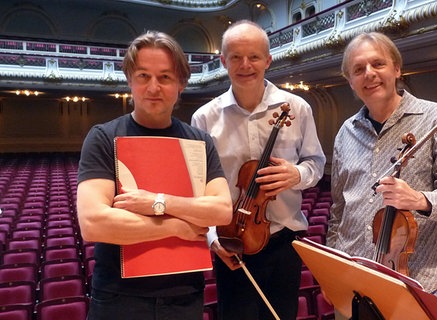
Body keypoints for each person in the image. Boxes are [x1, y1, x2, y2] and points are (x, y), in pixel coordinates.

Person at [76, 30, 233, 320]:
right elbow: (94, 223)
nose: (153, 87)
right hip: (118, 296)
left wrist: (157, 202)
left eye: (165, 77)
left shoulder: (200, 142)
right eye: (144, 76)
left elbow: (222, 211)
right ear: (130, 81)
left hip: (185, 295)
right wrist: (176, 227)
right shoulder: (102, 138)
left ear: (181, 84)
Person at [327, 32, 437, 315]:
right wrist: (333, 269)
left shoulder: (436, 118)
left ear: (396, 69)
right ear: (351, 82)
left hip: (411, 283)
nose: (369, 74)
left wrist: (419, 199)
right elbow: (339, 209)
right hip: (352, 279)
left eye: (377, 64)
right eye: (358, 69)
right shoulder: (345, 132)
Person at [191, 20, 326, 320]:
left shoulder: (297, 108)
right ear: (223, 61)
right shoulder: (204, 118)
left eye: (253, 56)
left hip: (284, 241)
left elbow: (316, 163)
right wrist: (213, 238)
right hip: (232, 242)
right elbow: (197, 187)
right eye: (236, 57)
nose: (245, 65)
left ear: (268, 59)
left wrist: (297, 174)